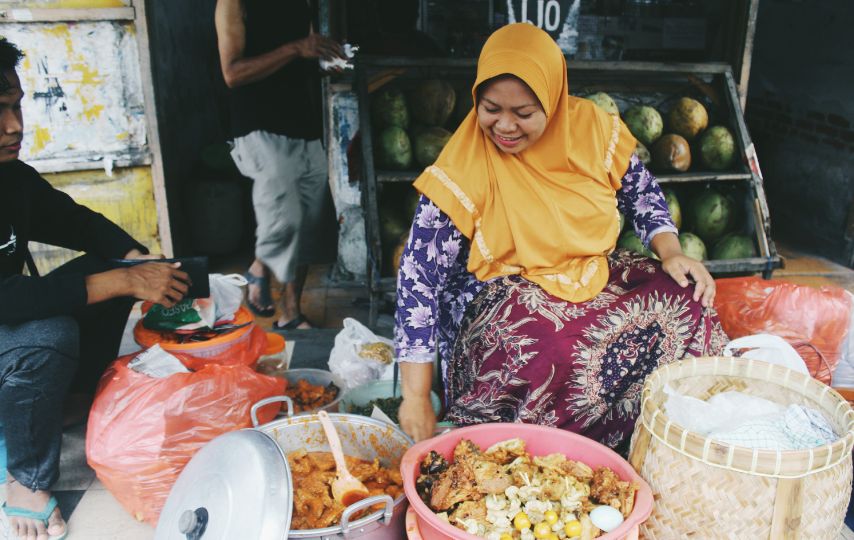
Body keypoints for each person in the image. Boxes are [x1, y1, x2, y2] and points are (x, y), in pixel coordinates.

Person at [394, 24, 729, 444]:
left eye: (524, 112)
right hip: (504, 293)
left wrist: (671, 251)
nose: (505, 126)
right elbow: (418, 280)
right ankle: (544, 456)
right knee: (547, 348)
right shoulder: (463, 165)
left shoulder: (591, 128)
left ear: (552, 100)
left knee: (685, 299)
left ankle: (652, 437)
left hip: (591, 273)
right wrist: (416, 395)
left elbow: (641, 194)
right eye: (492, 108)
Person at [0, 38, 190, 540]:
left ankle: (68, 401)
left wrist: (139, 263)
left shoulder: (11, 178)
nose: (15, 126)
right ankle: (24, 480)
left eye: (16, 106)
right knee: (50, 334)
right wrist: (123, 279)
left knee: (108, 269)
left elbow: (76, 222)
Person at [215, 0, 340, 329]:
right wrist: (296, 48)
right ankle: (259, 267)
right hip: (257, 125)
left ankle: (291, 313)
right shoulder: (233, 4)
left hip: (301, 121)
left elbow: (304, 58)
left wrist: (329, 62)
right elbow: (232, 73)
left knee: (312, 222)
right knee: (284, 208)